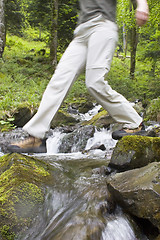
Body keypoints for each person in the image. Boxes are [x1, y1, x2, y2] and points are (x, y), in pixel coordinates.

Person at [8, 0, 149, 153]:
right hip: (81, 32)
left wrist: (142, 5)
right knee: (59, 81)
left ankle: (135, 123)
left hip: (102, 25)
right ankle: (36, 137)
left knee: (94, 82)